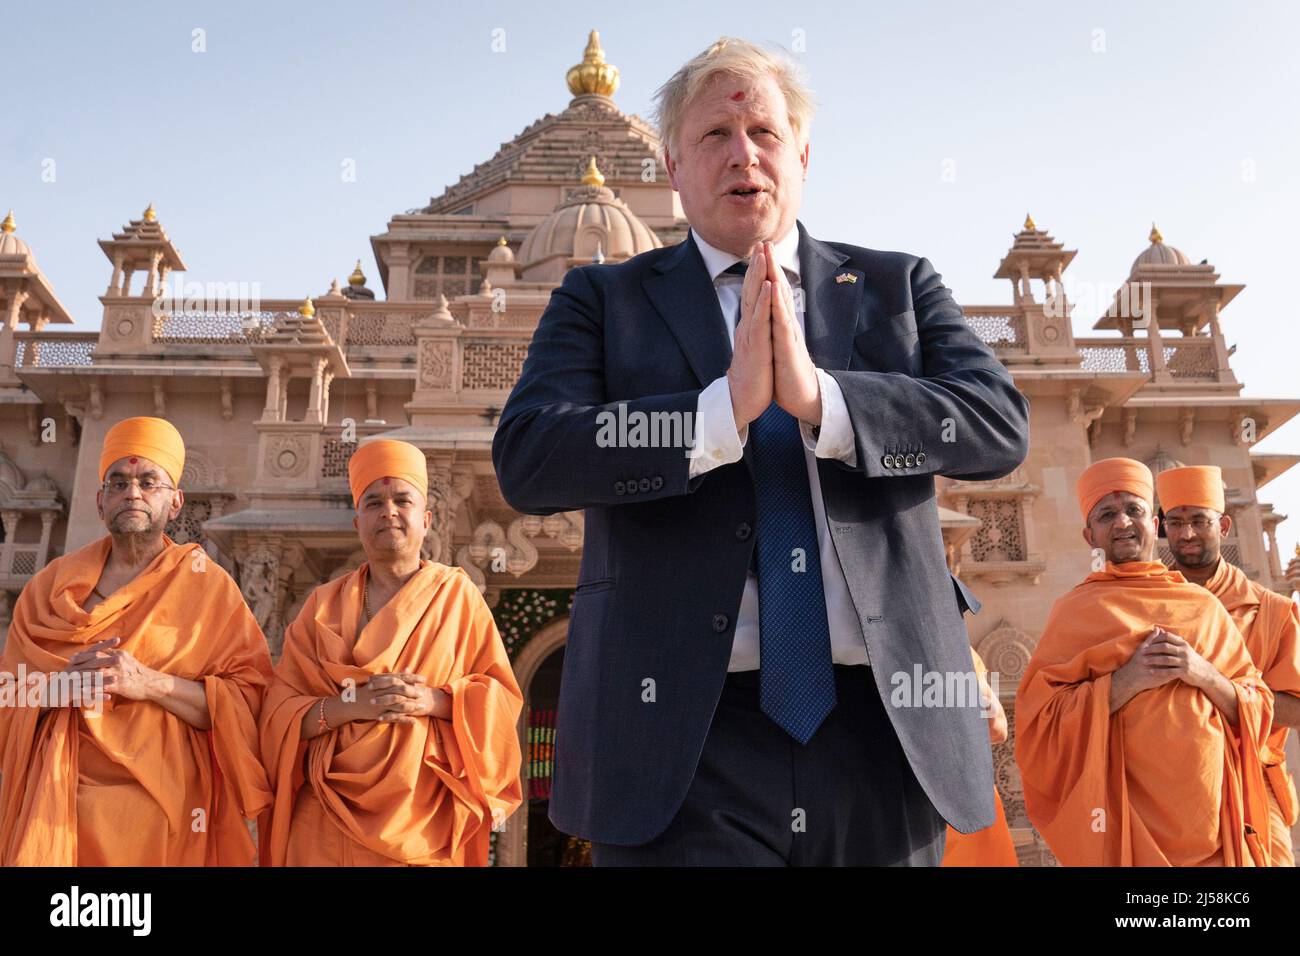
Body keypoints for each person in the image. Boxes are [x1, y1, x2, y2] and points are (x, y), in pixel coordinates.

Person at [492, 36, 1029, 865]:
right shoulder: (606, 300)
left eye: (764, 134)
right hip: (681, 743)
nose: (743, 154)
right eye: (713, 136)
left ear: (802, 154)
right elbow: (530, 455)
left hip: (883, 734)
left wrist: (827, 401)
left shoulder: (894, 289)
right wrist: (716, 415)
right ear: (672, 167)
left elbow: (997, 423)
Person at [0, 416, 272, 865]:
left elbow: (247, 705)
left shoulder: (207, 587)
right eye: (119, 482)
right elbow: (9, 693)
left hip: (166, 812)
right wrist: (58, 687)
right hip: (58, 806)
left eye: (150, 482)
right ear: (99, 501)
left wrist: (147, 683)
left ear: (177, 502)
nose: (133, 493)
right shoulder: (48, 589)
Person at [258, 438, 523, 866]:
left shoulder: (457, 596)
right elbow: (279, 717)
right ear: (357, 522)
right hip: (326, 818)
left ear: (426, 520)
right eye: (374, 502)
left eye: (403, 500)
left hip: (423, 817)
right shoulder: (321, 606)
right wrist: (351, 706)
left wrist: (437, 700)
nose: (389, 512)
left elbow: (502, 702)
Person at [1016, 457, 1273, 866]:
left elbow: (1258, 706)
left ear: (1154, 524)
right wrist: (1124, 682)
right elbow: (1039, 725)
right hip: (1125, 834)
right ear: (1090, 535)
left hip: (1215, 831)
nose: (1122, 522)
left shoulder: (1202, 605)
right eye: (1107, 514)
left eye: (1133, 510)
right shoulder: (1074, 613)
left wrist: (1202, 673)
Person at [1156, 464, 1300, 866]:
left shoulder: (1273, 611)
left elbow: (1297, 707)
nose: (1186, 534)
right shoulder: (1143, 604)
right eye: (1176, 522)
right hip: (1164, 784)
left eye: (1198, 521)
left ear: (1223, 525)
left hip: (1252, 780)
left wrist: (1212, 685)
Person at [940, 648, 1018, 867]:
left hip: (946, 812)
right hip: (966, 808)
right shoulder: (953, 646)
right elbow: (997, 727)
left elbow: (998, 728)